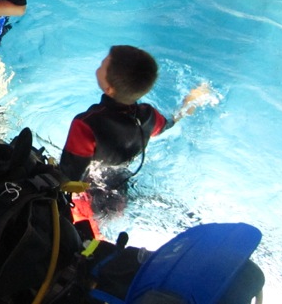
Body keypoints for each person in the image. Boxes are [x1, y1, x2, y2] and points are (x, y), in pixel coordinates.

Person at [59, 45, 216, 232]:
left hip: (90, 190)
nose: (99, 64)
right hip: (121, 184)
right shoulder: (148, 116)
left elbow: (69, 174)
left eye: (102, 64)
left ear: (109, 89)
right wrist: (185, 106)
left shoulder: (86, 124)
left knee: (81, 225)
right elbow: (167, 125)